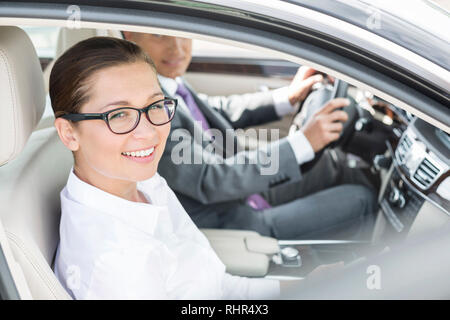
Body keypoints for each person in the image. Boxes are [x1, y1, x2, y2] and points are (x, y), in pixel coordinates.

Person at [51, 37, 281, 299]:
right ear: (69, 134)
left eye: (155, 106)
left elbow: (217, 287)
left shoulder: (143, 182)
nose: (149, 133)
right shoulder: (118, 266)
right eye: (118, 114)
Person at [122, 32, 376, 240]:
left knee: (335, 166)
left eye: (184, 35)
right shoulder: (151, 113)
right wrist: (304, 142)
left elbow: (218, 109)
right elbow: (211, 179)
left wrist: (288, 97)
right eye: (160, 35)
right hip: (231, 220)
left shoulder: (168, 83)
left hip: (242, 193)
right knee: (361, 200)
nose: (177, 48)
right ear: (130, 35)